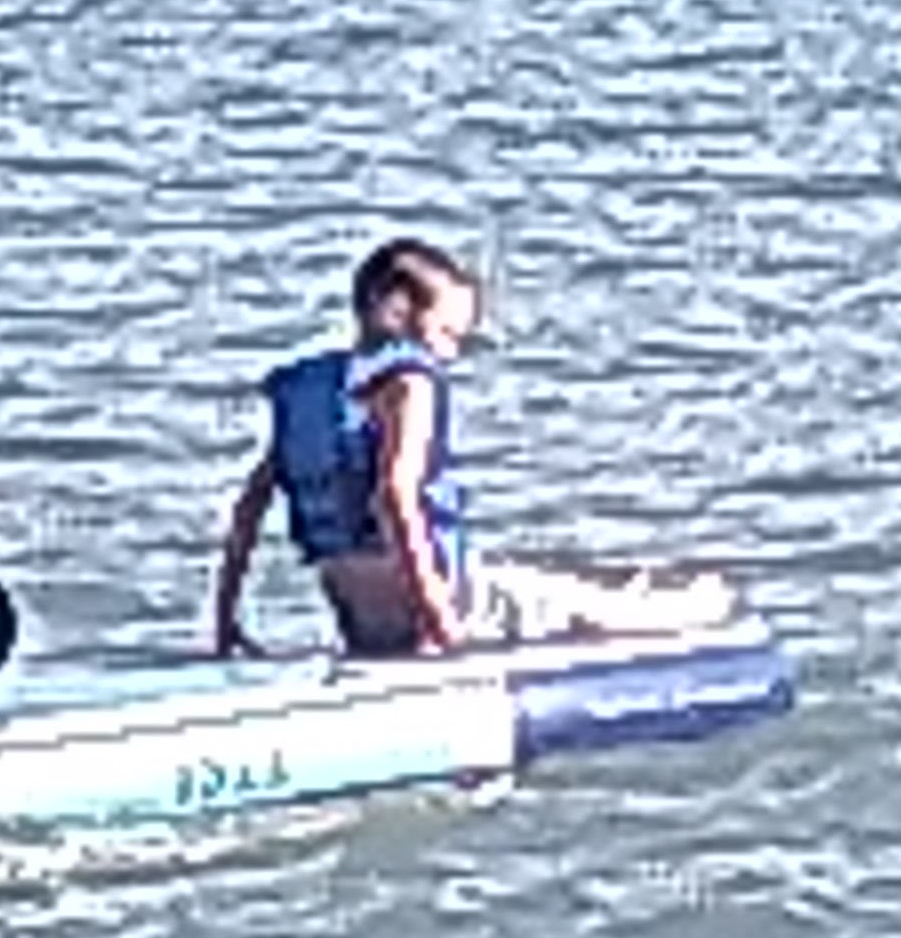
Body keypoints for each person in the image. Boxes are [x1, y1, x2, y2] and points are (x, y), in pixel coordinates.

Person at [209, 234, 737, 661]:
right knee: (560, 603)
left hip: (355, 608)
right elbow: (396, 498)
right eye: (448, 335)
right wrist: (443, 627)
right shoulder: (407, 386)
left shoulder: (312, 396)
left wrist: (225, 621)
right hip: (435, 601)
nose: (452, 353)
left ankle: (642, 595)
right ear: (396, 310)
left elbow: (249, 508)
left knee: (532, 584)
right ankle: (685, 611)